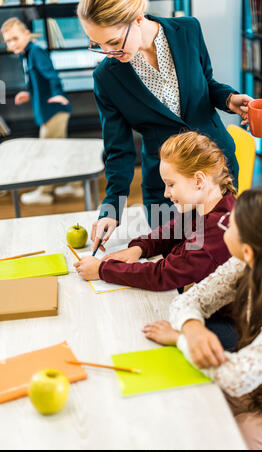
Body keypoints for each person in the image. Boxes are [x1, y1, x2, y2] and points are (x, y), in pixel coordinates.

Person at [77, 0, 253, 252]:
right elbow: (119, 150)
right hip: (166, 189)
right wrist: (111, 210)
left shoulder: (189, 29)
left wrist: (229, 98)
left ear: (138, 18)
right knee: (175, 260)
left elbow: (206, 82)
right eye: (98, 44)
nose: (107, 52)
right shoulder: (106, 78)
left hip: (217, 173)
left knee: (222, 254)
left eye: (113, 42)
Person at [143, 186, 262, 450]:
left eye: (233, 223)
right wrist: (192, 328)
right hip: (261, 387)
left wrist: (183, 341)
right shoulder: (247, 262)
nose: (225, 224)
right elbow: (191, 299)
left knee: (227, 437)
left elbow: (240, 377)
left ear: (249, 249)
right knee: (186, 401)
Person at [75, 132, 239, 351]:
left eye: (171, 185)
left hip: (231, 326)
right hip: (209, 305)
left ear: (198, 180)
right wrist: (139, 248)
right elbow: (173, 229)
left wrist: (103, 269)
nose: (166, 193)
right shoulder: (210, 202)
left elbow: (164, 274)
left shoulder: (218, 231)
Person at [1, 17, 83, 204]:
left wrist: (58, 94)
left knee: (47, 153)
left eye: (15, 38)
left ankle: (44, 192)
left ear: (27, 34)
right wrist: (28, 94)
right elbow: (38, 81)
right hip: (48, 110)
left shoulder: (36, 52)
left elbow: (52, 76)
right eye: (8, 40)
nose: (11, 43)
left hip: (53, 111)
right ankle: (77, 185)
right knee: (59, 151)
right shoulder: (26, 54)